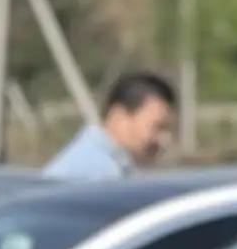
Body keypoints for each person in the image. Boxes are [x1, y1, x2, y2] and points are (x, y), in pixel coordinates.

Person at [48, 69, 180, 180]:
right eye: (157, 127)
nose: (164, 140)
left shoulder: (107, 164)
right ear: (119, 118)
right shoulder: (99, 173)